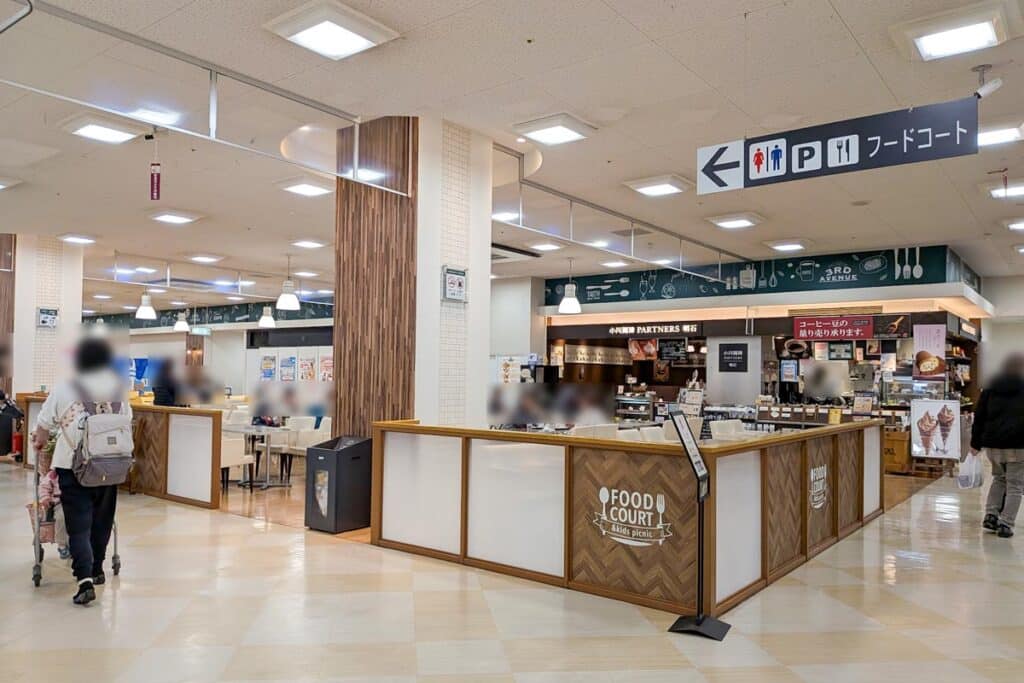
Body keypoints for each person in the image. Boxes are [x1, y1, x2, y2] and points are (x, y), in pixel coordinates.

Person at [32, 338, 131, 605]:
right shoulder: (119, 388)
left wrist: (40, 442)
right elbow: (127, 421)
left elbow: (43, 426)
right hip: (110, 465)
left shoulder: (66, 387)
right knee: (102, 520)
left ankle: (84, 580)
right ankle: (98, 568)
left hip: (72, 467)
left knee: (79, 525)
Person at [971, 353, 1024, 538]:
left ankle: (991, 515)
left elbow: (979, 415)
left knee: (999, 478)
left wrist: (975, 442)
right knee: (1015, 485)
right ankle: (1005, 523)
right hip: (1018, 444)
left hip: (993, 444)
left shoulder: (991, 387)